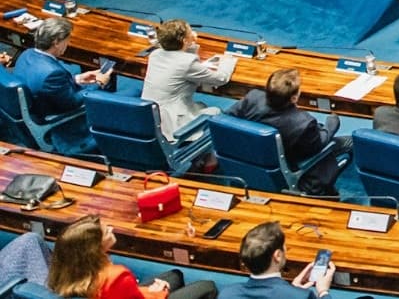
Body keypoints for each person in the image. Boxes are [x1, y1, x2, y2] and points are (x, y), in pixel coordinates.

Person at [225, 68, 352, 196]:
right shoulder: (303, 123)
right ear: (294, 98)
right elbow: (319, 144)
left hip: (250, 158)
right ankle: (322, 191)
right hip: (290, 160)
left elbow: (227, 118)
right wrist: (332, 122)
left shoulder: (253, 97)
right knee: (349, 142)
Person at [47, 215, 216, 299]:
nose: (112, 229)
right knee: (207, 286)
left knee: (174, 275)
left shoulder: (67, 271)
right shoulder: (116, 275)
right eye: (106, 232)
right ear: (95, 247)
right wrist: (160, 293)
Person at [13, 16, 111, 154]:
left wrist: (77, 79)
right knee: (132, 93)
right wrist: (99, 83)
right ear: (57, 42)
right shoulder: (52, 73)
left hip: (39, 103)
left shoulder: (27, 54)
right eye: (67, 39)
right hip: (53, 114)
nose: (68, 43)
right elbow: (72, 103)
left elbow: (47, 84)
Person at [139, 19, 232, 139]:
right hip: (173, 125)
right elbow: (221, 78)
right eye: (190, 32)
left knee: (201, 105)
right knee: (216, 111)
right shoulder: (187, 63)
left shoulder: (155, 55)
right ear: (184, 40)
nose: (193, 32)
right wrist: (228, 61)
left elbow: (182, 58)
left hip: (149, 118)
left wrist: (190, 43)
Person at [219, 221, 335, 299]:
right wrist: (323, 292)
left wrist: (292, 289)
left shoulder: (227, 294)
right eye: (284, 246)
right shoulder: (302, 296)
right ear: (278, 255)